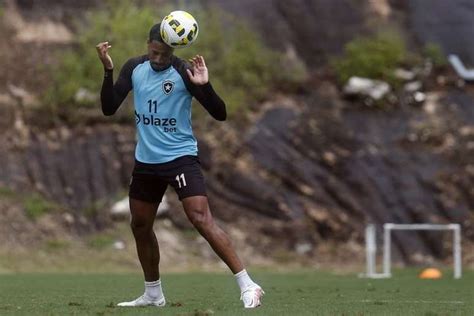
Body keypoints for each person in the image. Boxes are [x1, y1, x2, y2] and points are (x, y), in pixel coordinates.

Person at [95, 23, 264, 308]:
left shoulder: (185, 71)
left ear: (175, 49)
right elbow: (109, 107)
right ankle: (153, 294)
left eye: (165, 54)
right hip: (147, 161)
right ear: (148, 44)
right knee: (140, 224)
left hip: (180, 158)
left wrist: (204, 86)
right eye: (155, 52)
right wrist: (108, 70)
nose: (159, 59)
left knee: (199, 218)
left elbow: (220, 113)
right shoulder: (134, 67)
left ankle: (248, 284)